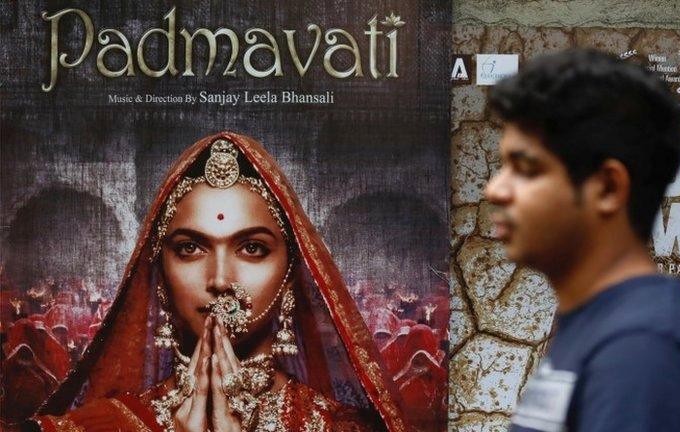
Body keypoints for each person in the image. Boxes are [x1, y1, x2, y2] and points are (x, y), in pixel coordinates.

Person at [27, 132, 410, 432]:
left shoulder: (344, 428)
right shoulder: (93, 427)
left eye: (252, 248)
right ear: (160, 273)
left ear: (291, 271)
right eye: (191, 248)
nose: (221, 280)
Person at [484, 49, 680, 432]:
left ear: (607, 188)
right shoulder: (604, 328)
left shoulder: (643, 350)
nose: (495, 190)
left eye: (527, 169)